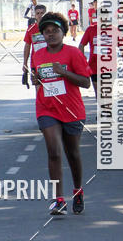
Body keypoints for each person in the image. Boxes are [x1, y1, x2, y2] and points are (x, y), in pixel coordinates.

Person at [30, 12, 91, 215]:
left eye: (55, 30)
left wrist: (63, 72)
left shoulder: (73, 53)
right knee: (54, 151)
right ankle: (58, 200)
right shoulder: (38, 55)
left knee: (72, 153)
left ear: (63, 32)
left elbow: (86, 82)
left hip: (72, 109)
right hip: (47, 108)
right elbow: (37, 78)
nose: (51, 35)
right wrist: (35, 80)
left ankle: (77, 190)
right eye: (46, 32)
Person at [21, 3, 47, 87]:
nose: (40, 15)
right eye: (38, 13)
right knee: (38, 88)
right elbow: (27, 46)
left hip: (49, 62)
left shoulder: (51, 28)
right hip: (35, 63)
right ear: (35, 15)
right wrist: (25, 63)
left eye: (42, 13)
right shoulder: (30, 29)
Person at [78, 16, 98, 98]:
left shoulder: (114, 30)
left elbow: (122, 46)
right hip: (94, 66)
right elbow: (81, 45)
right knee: (99, 93)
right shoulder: (91, 29)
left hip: (110, 67)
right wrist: (82, 60)